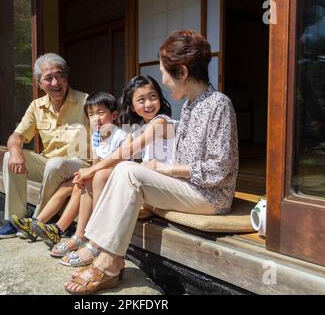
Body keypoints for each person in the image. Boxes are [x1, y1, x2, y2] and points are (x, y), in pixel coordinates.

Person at [63, 30, 239, 295]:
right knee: (124, 170)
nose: (164, 81)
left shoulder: (218, 104)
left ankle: (108, 261)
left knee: (128, 172)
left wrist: (167, 169)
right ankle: (102, 251)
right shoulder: (192, 105)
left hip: (211, 195)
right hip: (188, 186)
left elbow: (219, 169)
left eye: (165, 74)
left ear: (181, 71)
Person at [60, 75, 176, 268]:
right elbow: (123, 151)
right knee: (94, 176)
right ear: (131, 106)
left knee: (101, 173)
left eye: (153, 97)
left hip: (166, 186)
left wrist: (93, 169)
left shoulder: (161, 122)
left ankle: (96, 242)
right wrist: (90, 171)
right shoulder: (140, 127)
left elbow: (126, 152)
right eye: (141, 99)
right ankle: (83, 236)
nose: (148, 104)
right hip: (151, 185)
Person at [0, 53, 90, 239]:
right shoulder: (37, 106)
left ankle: (37, 223)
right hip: (51, 164)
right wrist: (15, 151)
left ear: (66, 77)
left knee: (55, 164)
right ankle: (15, 220)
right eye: (48, 78)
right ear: (38, 83)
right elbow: (17, 136)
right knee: (9, 156)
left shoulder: (85, 101)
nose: (55, 82)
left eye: (59, 75)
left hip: (80, 164)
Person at [9, 92, 127, 250]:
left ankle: (60, 231)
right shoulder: (97, 136)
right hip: (98, 176)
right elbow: (97, 161)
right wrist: (86, 173)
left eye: (101, 113)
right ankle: (37, 223)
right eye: (91, 114)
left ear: (114, 115)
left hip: (113, 180)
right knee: (67, 185)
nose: (96, 118)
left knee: (81, 186)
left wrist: (90, 173)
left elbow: (121, 164)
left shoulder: (121, 136)